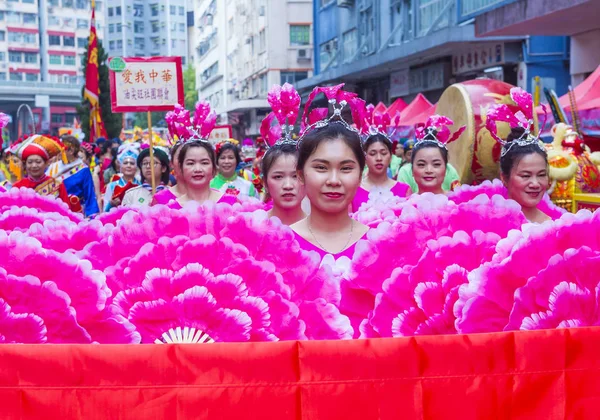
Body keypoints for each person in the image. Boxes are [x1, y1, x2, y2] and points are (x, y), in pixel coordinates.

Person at [291, 86, 370, 260]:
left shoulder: (378, 244)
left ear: (360, 175)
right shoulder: (282, 245)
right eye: (321, 168)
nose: (334, 180)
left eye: (346, 168)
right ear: (301, 174)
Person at [487, 87, 551, 223]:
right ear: (504, 178)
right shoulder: (488, 223)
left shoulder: (555, 227)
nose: (535, 184)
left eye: (541, 175)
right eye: (525, 176)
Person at [12, 134, 75, 209]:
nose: (34, 165)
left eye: (38, 162)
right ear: (25, 164)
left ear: (46, 163)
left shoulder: (57, 185)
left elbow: (66, 209)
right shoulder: (18, 186)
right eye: (30, 162)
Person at [352, 133, 410, 212]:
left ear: (390, 157)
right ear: (365, 158)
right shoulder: (353, 191)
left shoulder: (404, 190)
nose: (379, 158)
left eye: (383, 153)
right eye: (373, 154)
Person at [408, 115, 464, 195]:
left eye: (436, 164)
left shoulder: (458, 203)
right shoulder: (402, 205)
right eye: (421, 164)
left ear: (446, 169)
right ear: (412, 170)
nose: (429, 170)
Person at [47, 135, 99, 217]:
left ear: (71, 151)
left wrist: (91, 216)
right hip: (54, 212)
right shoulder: (53, 167)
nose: (58, 153)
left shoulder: (83, 170)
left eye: (61, 149)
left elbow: (89, 195)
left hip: (75, 212)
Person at [103, 143, 141, 212]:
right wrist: (111, 204)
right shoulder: (111, 186)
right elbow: (105, 211)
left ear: (136, 167)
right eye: (125, 163)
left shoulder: (141, 185)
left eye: (132, 163)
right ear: (120, 166)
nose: (128, 166)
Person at [152, 141, 186, 205]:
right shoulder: (160, 198)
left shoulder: (211, 198)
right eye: (181, 157)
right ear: (171, 163)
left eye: (203, 162)